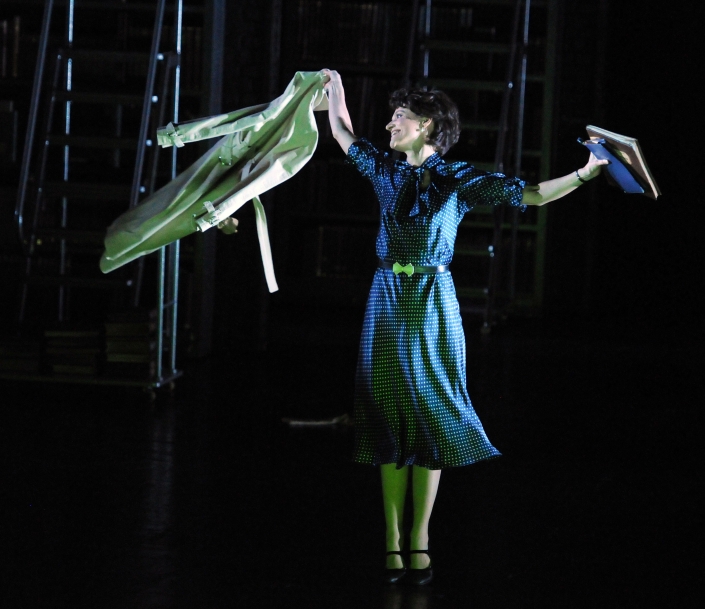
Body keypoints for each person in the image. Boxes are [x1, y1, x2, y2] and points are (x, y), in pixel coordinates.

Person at [322, 69, 606, 585]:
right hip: (386, 299)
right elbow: (342, 132)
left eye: (399, 117)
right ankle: (390, 539)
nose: (389, 124)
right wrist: (335, 88)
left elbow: (534, 194)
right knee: (387, 417)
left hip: (433, 301)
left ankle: (420, 537)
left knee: (429, 416)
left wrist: (585, 173)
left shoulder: (458, 178)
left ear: (426, 125)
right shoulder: (384, 169)